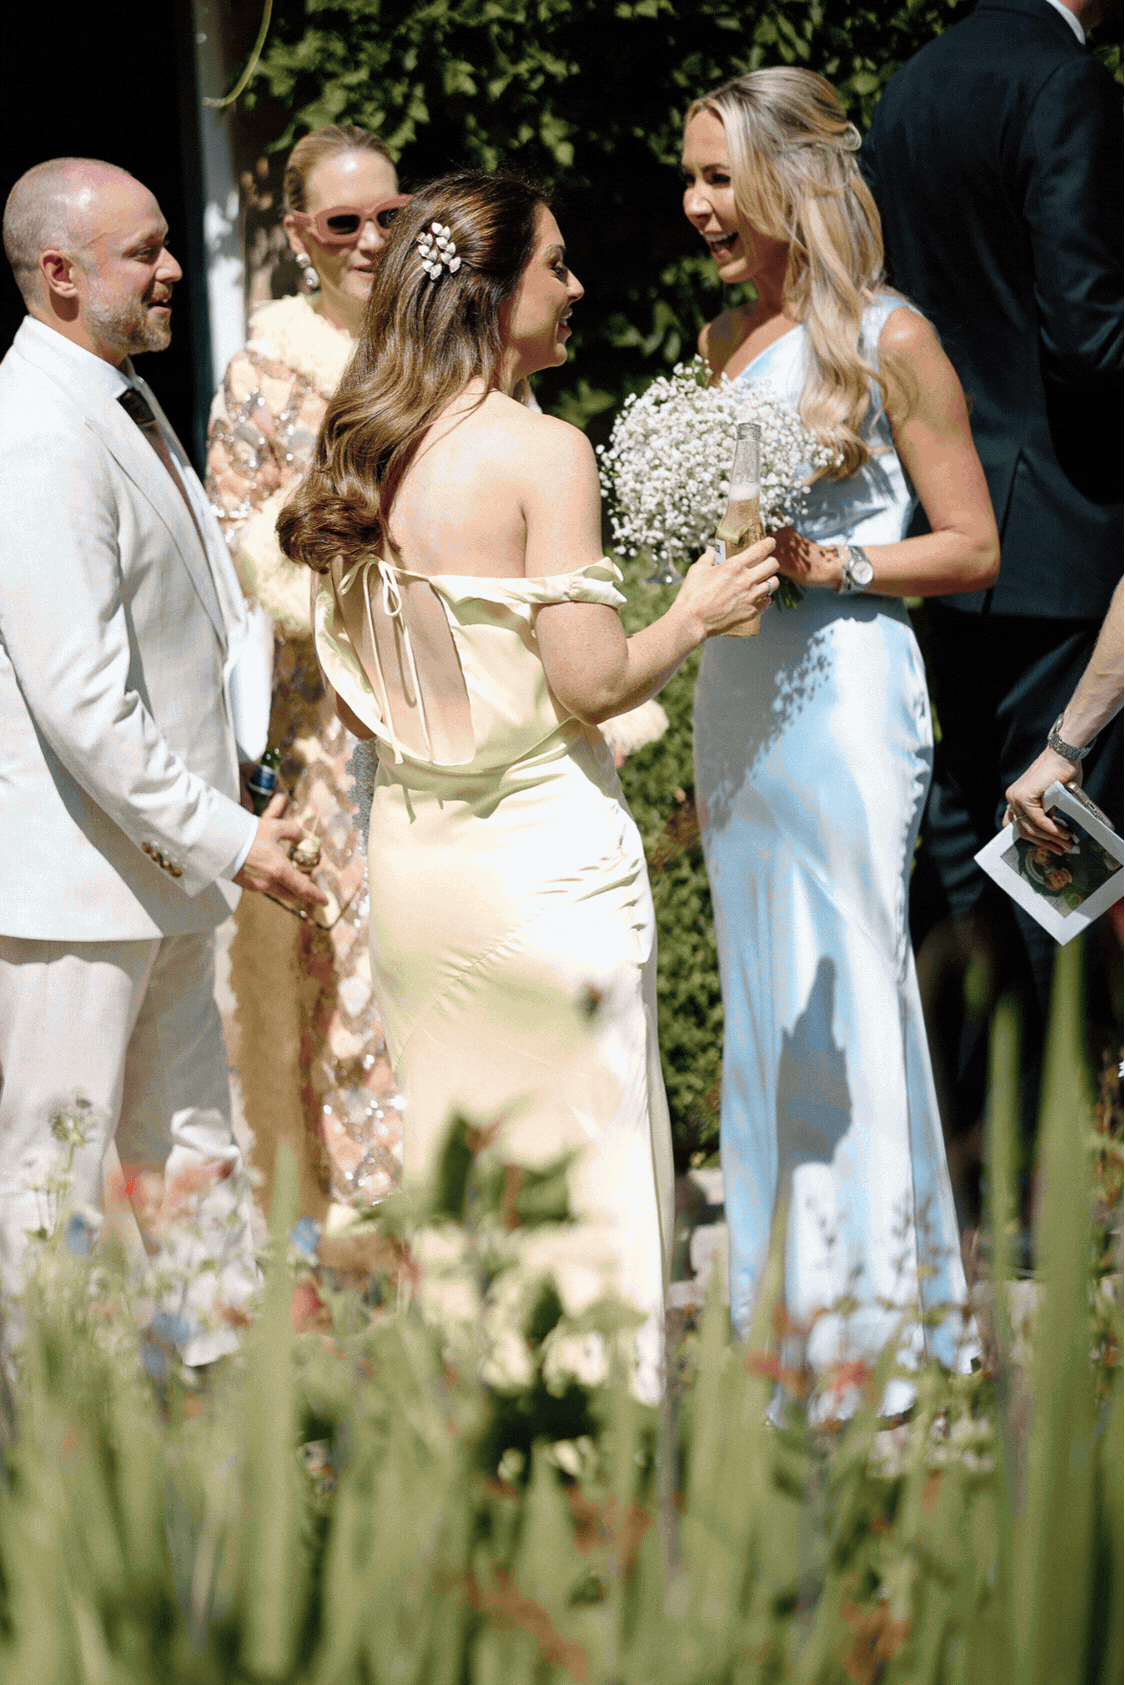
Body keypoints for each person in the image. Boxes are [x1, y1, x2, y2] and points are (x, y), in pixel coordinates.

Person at [277, 169, 779, 1399]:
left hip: (416, 861)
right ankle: (592, 1453)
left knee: (464, 1173)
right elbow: (593, 679)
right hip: (543, 863)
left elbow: (357, 692)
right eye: (556, 264)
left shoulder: (363, 447)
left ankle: (479, 1457)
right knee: (587, 1163)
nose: (577, 285)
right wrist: (703, 611)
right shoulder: (543, 451)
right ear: (494, 296)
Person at [680, 70, 998, 1395]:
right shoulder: (715, 342)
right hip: (737, 694)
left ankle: (891, 1327)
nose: (695, 204)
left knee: (853, 984)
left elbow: (974, 547)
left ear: (783, 181)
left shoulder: (891, 336)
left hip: (852, 695)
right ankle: (784, 1317)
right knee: (764, 999)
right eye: (687, 176)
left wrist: (840, 569)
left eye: (716, 177)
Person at [0, 158, 323, 1367]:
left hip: (163, 869)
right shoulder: (35, 429)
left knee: (194, 1143)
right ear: (62, 273)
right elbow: (80, 696)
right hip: (72, 888)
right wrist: (236, 838)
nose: (175, 265)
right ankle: (58, 1457)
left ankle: (219, 1394)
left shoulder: (117, 394)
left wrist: (230, 798)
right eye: (144, 251)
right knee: (53, 1179)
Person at [860, 0, 1123, 1150]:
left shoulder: (910, 86)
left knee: (972, 864)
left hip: (942, 531)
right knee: (1065, 859)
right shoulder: (1060, 83)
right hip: (1058, 533)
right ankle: (1071, 1172)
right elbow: (1086, 331)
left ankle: (993, 1172)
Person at [206, 125, 411, 1222]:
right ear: (300, 236)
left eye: (390, 213)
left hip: (453, 693)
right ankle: (355, 1228)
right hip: (327, 707)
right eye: (345, 222)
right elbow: (239, 530)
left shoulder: (452, 340)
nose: (373, 238)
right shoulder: (266, 366)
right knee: (348, 959)